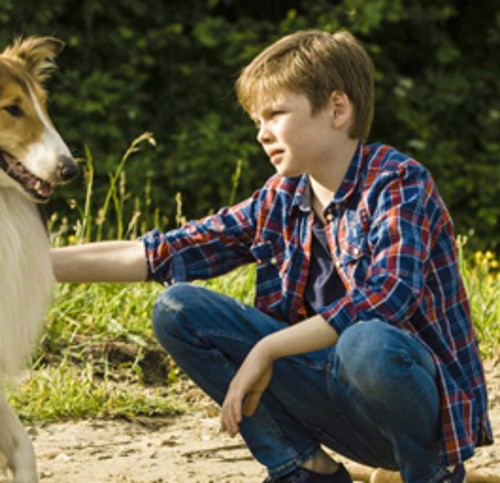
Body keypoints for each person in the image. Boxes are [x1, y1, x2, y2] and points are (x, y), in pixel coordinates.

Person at [51, 29, 492, 483]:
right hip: (338, 408)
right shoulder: (279, 198)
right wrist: (33, 264)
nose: (262, 133)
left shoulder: (398, 181)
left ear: (338, 109)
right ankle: (304, 469)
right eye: (255, 121)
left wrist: (268, 348)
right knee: (178, 308)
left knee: (366, 343)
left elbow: (387, 296)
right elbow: (163, 253)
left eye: (275, 114)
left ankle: (431, 474)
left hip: (419, 413)